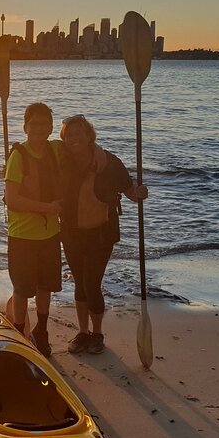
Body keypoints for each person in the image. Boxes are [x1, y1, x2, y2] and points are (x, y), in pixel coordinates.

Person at [59, 114, 148, 354]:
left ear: (89, 136)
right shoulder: (61, 160)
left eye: (78, 133)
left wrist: (139, 192)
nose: (73, 138)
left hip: (101, 234)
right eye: (69, 135)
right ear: (63, 139)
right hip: (71, 232)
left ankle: (97, 334)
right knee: (80, 284)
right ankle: (82, 332)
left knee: (91, 283)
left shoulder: (108, 161)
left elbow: (129, 191)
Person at [4, 102, 63, 357]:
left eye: (44, 124)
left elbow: (83, 148)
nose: (39, 128)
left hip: (49, 235)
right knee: (22, 288)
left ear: (51, 127)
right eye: (34, 124)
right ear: (25, 127)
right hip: (22, 236)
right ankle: (19, 330)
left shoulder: (55, 150)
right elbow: (12, 198)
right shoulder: (18, 156)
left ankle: (41, 330)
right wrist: (47, 207)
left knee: (45, 286)